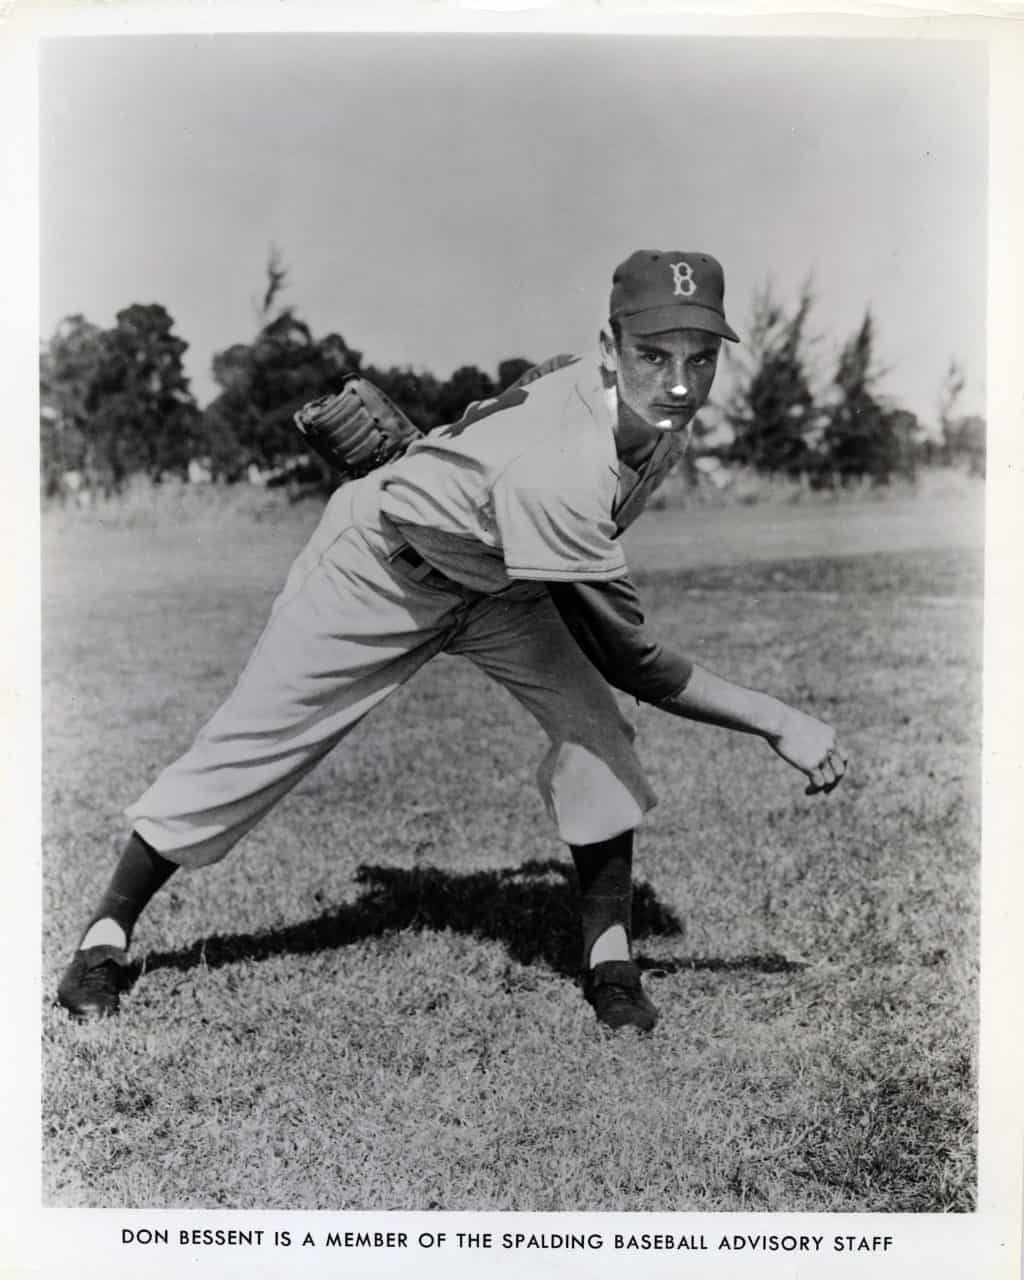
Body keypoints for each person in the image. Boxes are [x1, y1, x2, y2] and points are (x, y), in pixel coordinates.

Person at [56, 249, 848, 1032]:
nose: (677, 382)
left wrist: (445, 451)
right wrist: (782, 720)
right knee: (259, 737)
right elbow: (629, 656)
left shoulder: (656, 418)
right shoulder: (561, 464)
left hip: (504, 588)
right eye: (651, 355)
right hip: (381, 569)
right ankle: (105, 936)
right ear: (609, 350)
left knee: (596, 729)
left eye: (700, 358)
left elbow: (536, 380)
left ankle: (609, 955)